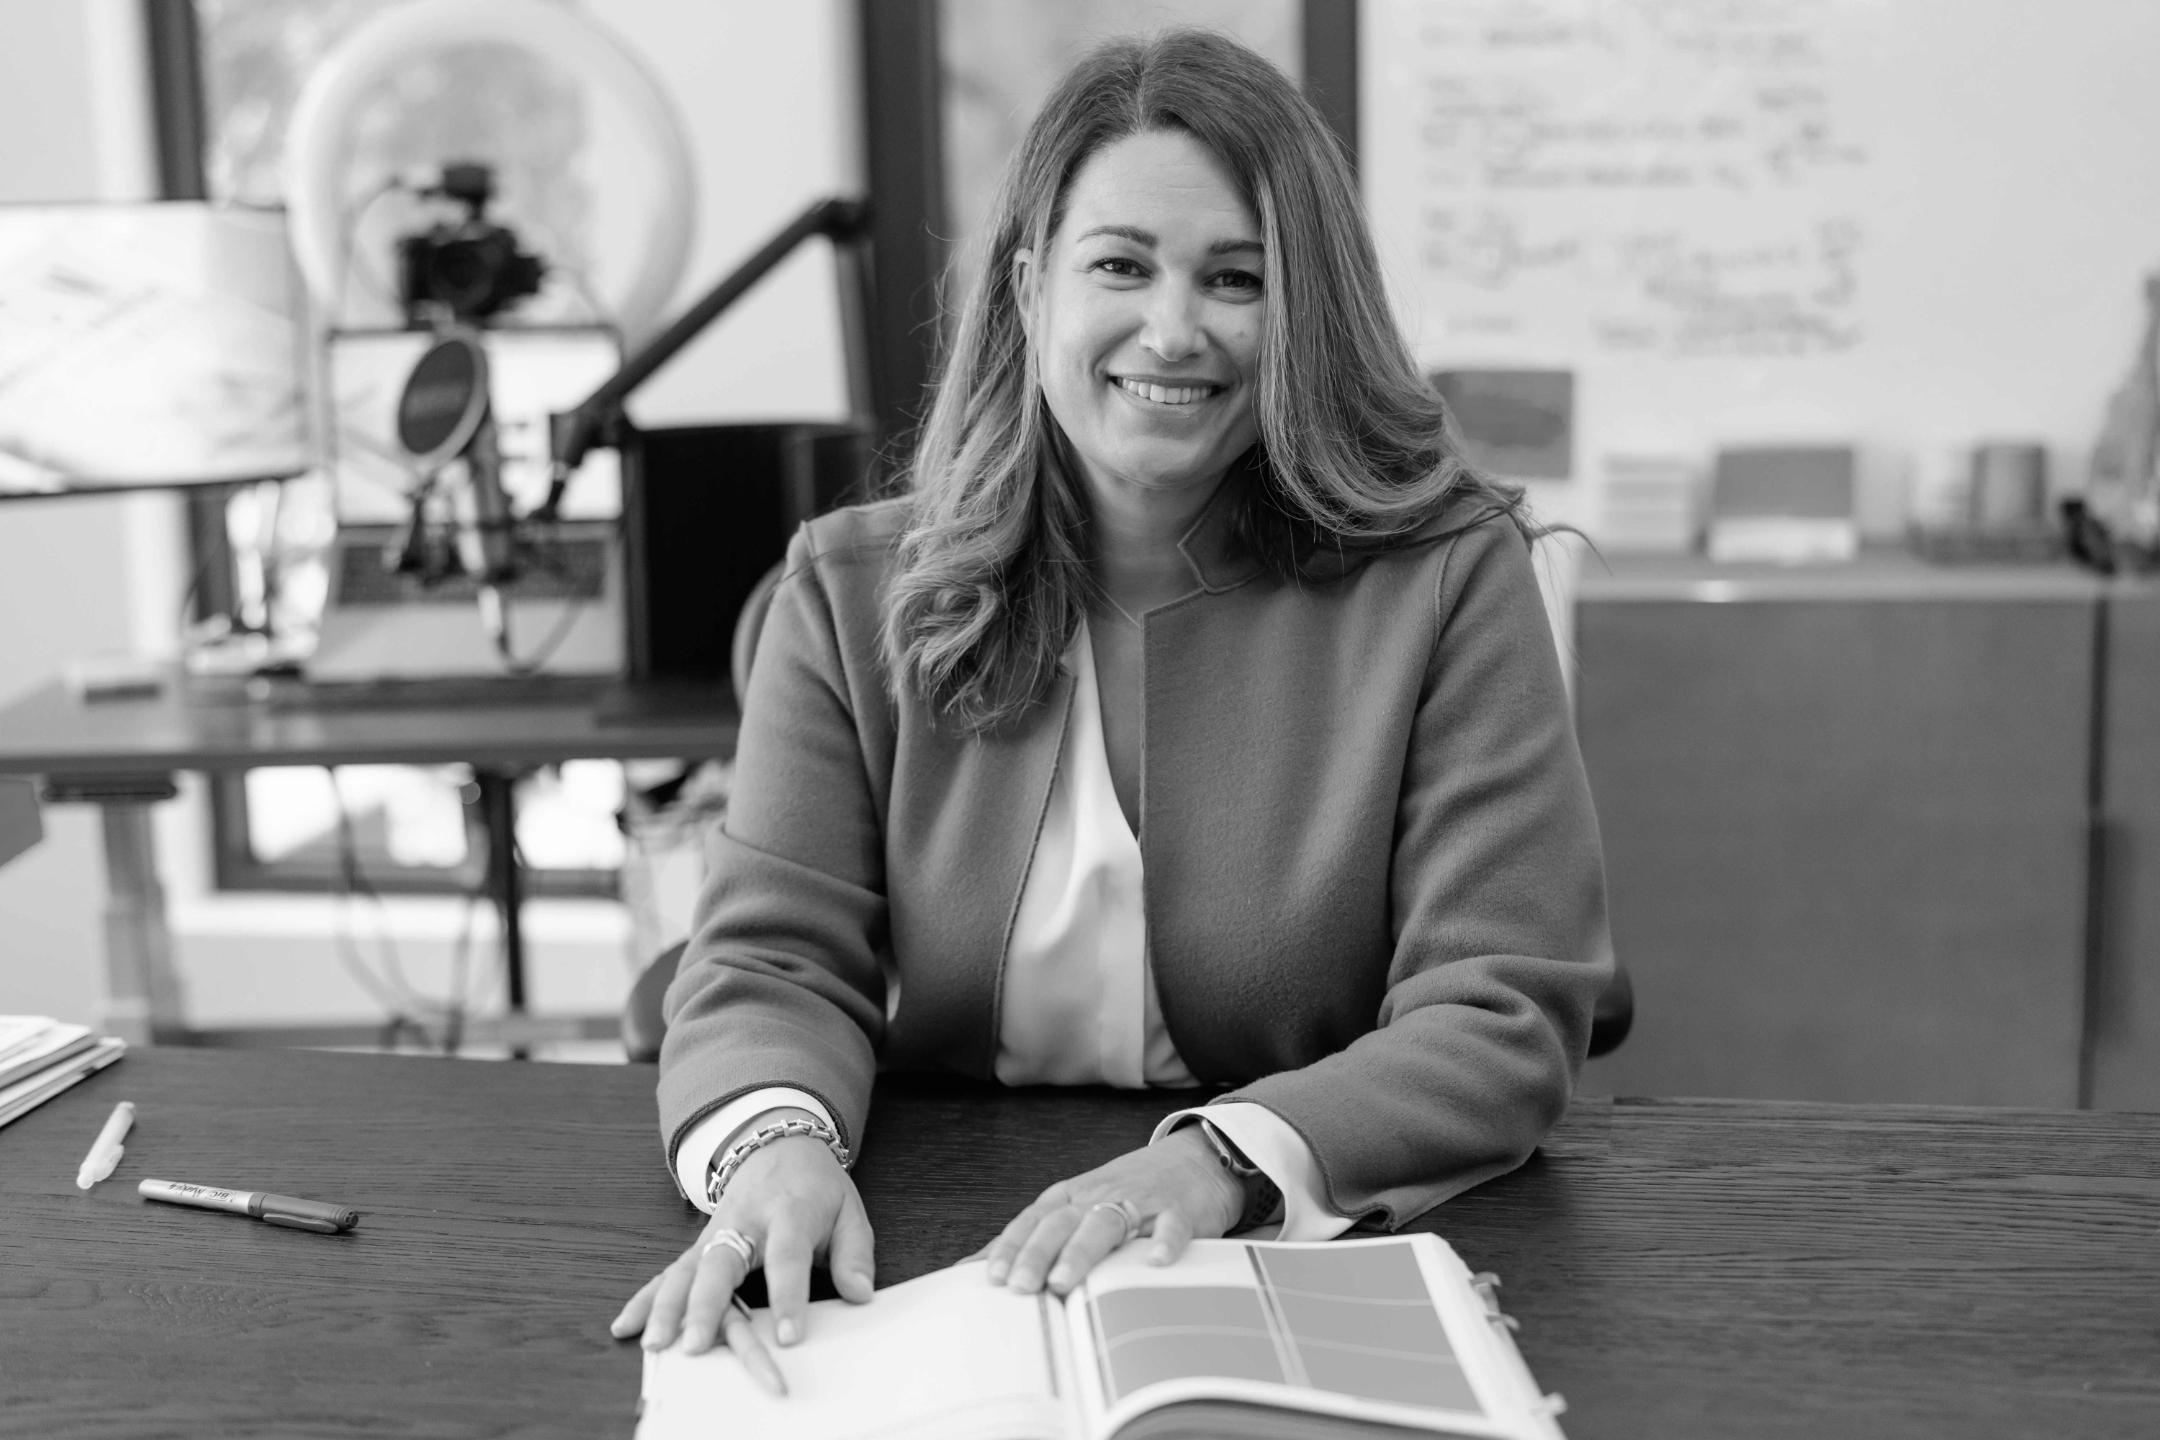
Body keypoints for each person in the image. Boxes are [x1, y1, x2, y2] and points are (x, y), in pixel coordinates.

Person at [610, 28, 1610, 1369]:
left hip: (1299, 1251)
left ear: (1305, 313)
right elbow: (769, 960)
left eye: (1238, 278)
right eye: (1121, 265)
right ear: (1033, 288)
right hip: (936, 1261)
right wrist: (776, 1149)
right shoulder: (848, 591)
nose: (1174, 330)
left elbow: (1498, 1009)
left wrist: (1217, 1164)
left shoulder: (1448, 581)